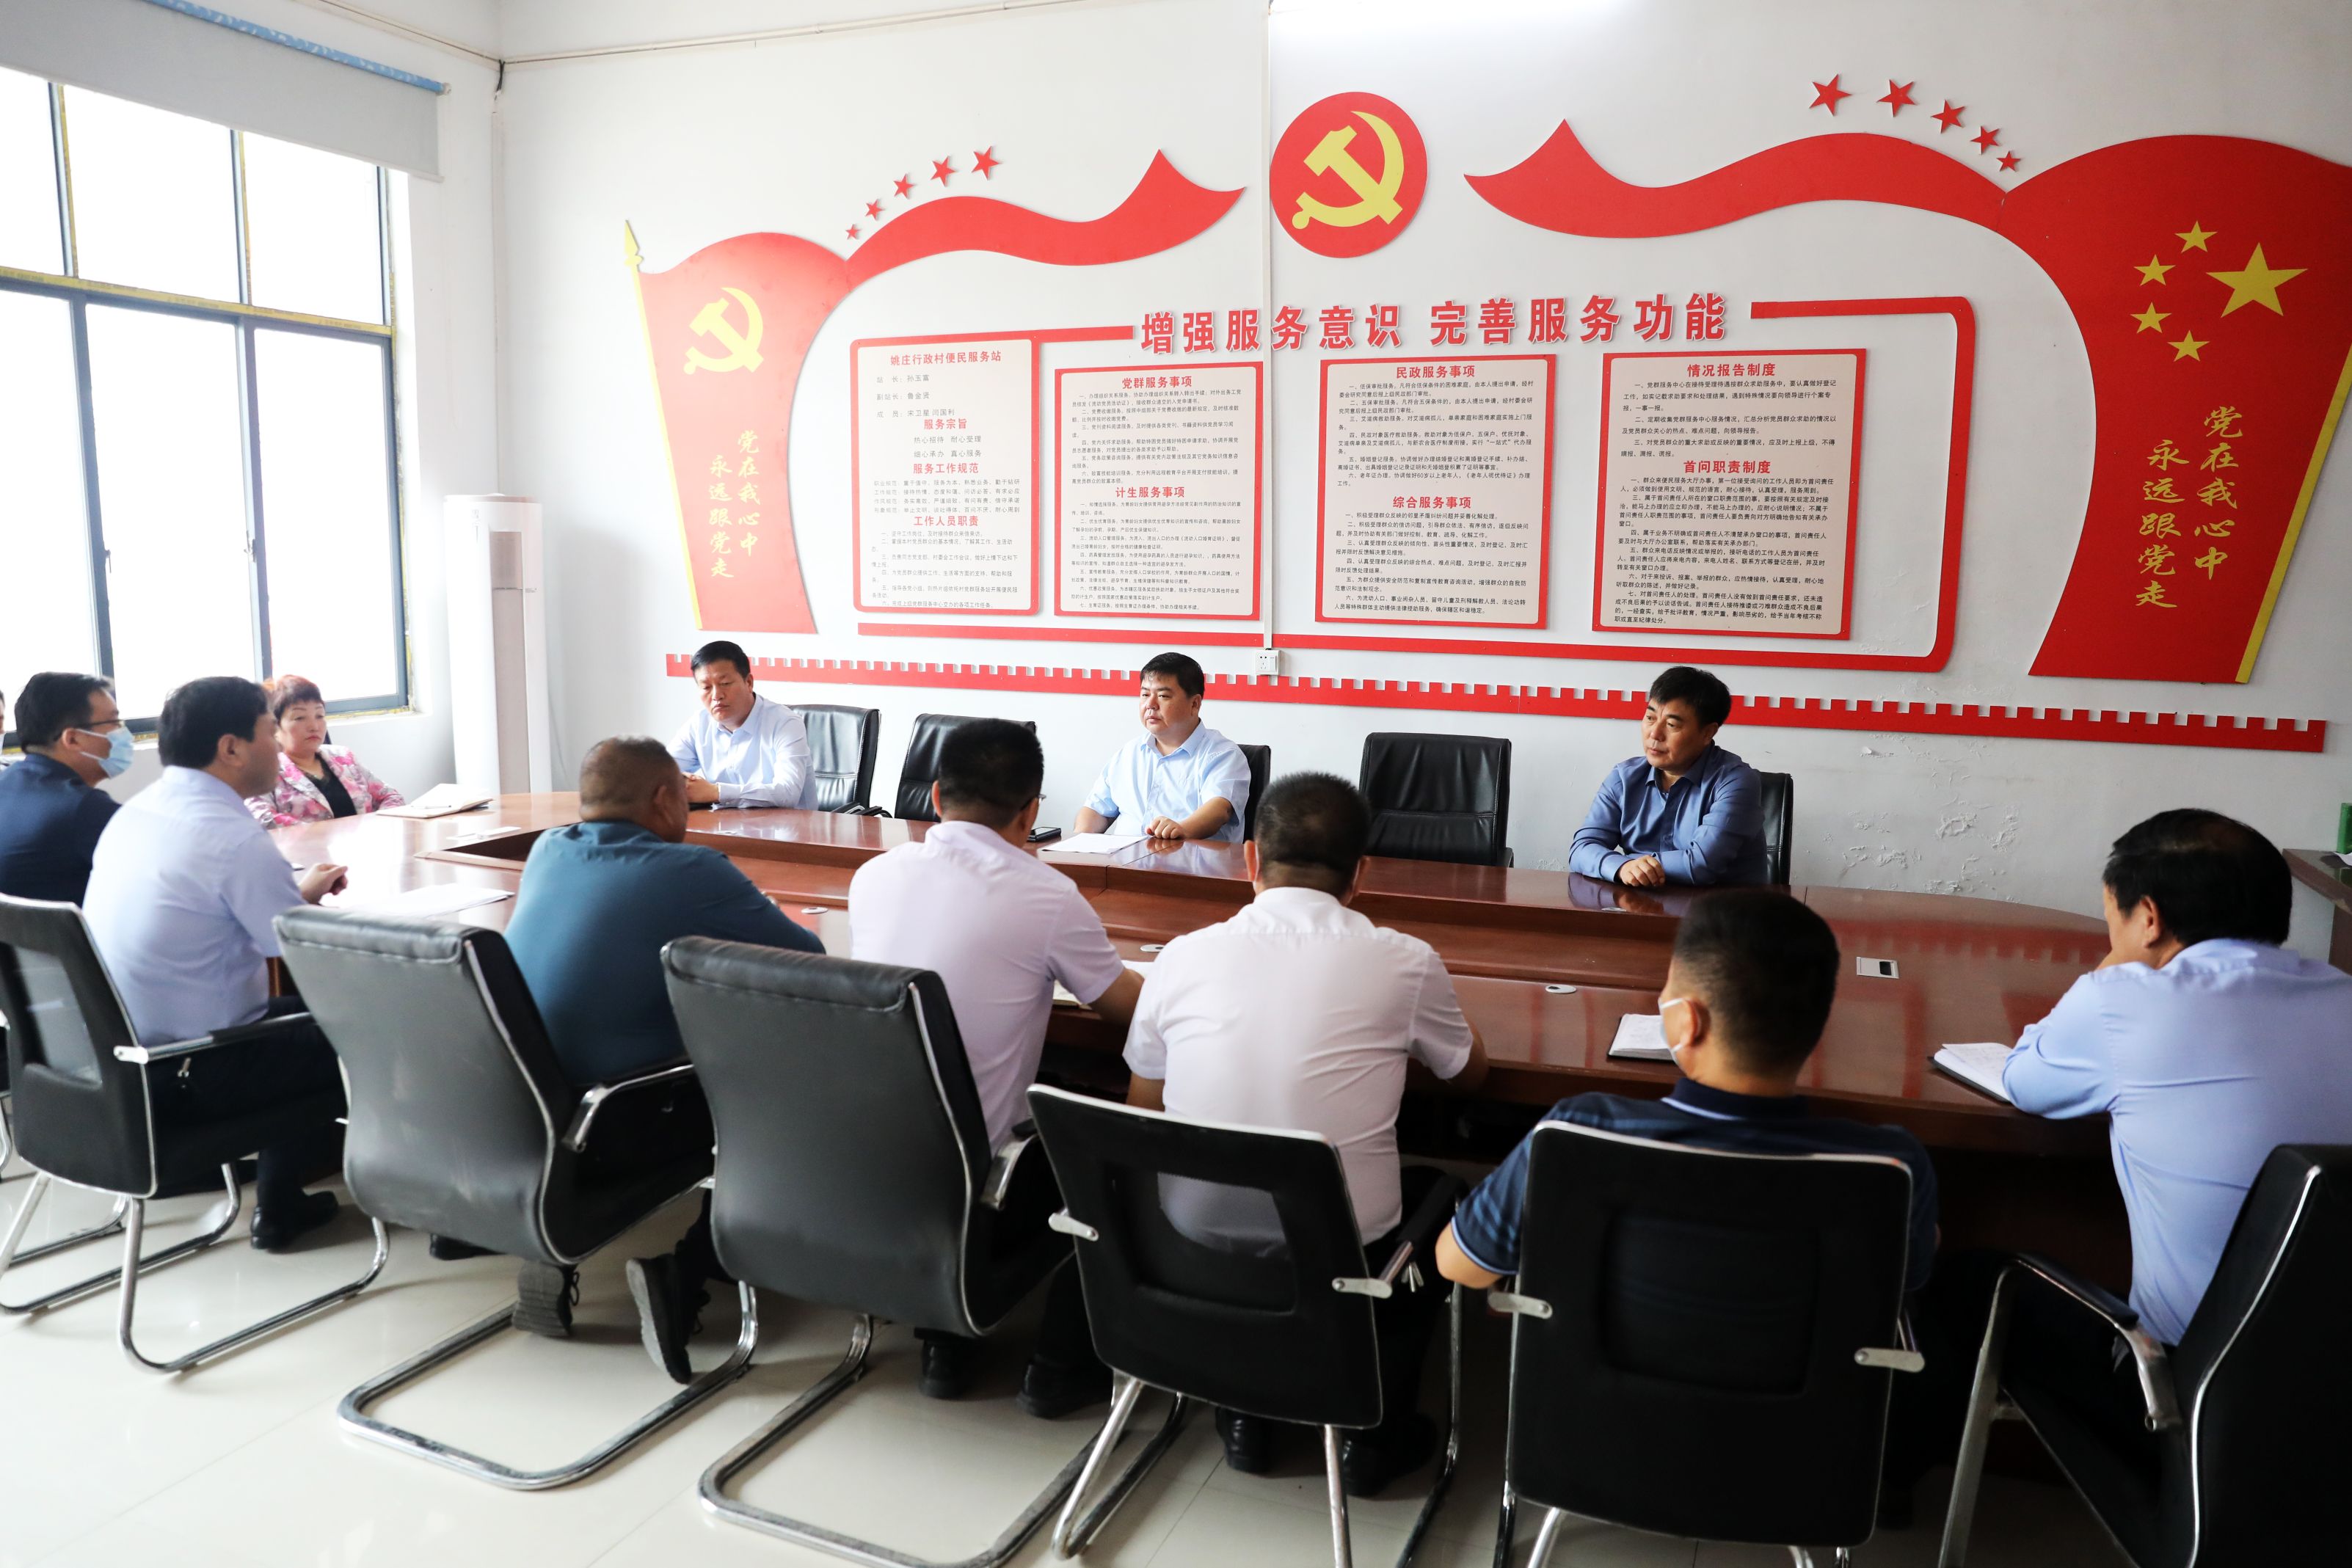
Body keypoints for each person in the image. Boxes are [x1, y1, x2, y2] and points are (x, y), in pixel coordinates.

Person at [1125, 772, 1490, 1493]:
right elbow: (1468, 1075)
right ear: (1361, 873)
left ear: (1251, 858)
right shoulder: (1404, 959)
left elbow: (1142, 1106)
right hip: (1342, 1260)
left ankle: (1245, 1415)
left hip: (1190, 1247)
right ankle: (1373, 1437)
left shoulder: (1182, 954)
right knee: (1444, 1191)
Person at [502, 735, 825, 1377]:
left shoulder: (547, 849)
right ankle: (687, 1272)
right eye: (685, 793)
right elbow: (806, 960)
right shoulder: (691, 871)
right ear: (662, 798)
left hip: (522, 1108)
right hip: (616, 1121)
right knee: (779, 1090)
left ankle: (553, 1247)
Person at [848, 718, 1143, 1417]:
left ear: (936, 794)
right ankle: (1057, 1365)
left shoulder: (874, 875)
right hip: (982, 1185)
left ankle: (945, 1342)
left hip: (861, 1165)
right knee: (1113, 1135)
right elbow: (1129, 1012)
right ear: (1031, 810)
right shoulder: (1045, 894)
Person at [81, 677, 352, 1252]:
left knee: (297, 1012)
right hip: (197, 1068)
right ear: (231, 748)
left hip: (119, 1060)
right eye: (269, 731)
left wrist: (293, 895)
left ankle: (282, 1200)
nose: (279, 747)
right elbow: (305, 950)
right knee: (366, 1027)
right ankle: (293, 1204)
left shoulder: (136, 813)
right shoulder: (232, 837)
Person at [1568, 665, 1769, 887]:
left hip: (1724, 906)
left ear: (1707, 733)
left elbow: (1700, 865)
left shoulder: (1736, 782)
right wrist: (1623, 868)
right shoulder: (1623, 778)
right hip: (1642, 904)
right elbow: (1581, 849)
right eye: (1650, 717)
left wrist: (1630, 863)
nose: (1655, 734)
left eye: (1671, 724)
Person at [1074, 652, 1252, 842]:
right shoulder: (1129, 753)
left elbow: (1219, 810)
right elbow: (1096, 809)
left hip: (1188, 860)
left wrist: (1181, 830)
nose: (1150, 705)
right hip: (1123, 859)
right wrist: (1078, 842)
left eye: (1163, 696)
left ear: (1195, 704)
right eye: (1145, 694)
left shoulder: (1223, 755)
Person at [0, 672, 128, 904]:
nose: (123, 732)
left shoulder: (6, 782)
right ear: (73, 739)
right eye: (114, 722)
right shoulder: (86, 809)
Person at [667, 639, 815, 809]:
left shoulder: (785, 723)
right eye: (706, 687)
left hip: (788, 825)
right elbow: (661, 773)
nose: (716, 696)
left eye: (725, 684)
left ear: (749, 683)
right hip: (723, 823)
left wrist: (716, 792)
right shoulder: (699, 724)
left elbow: (787, 793)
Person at [246, 674, 404, 825]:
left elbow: (391, 797)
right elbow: (261, 819)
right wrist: (321, 835)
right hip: (304, 846)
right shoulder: (264, 770)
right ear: (274, 725)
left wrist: (374, 828)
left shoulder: (344, 758)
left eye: (319, 716)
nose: (314, 726)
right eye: (299, 718)